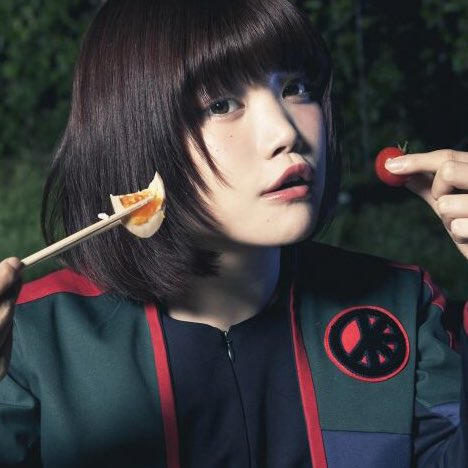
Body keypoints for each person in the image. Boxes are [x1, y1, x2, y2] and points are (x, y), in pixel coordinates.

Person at [0, 0, 467, 466]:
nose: (285, 133)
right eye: (221, 105)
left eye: (296, 88)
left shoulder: (405, 307)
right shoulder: (31, 337)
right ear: (133, 135)